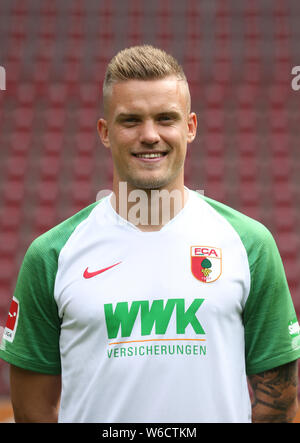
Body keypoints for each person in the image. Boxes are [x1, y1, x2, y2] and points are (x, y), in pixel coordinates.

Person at [0, 44, 300, 423]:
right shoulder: (51, 255)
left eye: (165, 118)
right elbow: (32, 410)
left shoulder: (250, 245)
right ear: (105, 132)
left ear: (189, 127)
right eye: (130, 121)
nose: (150, 135)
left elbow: (279, 406)